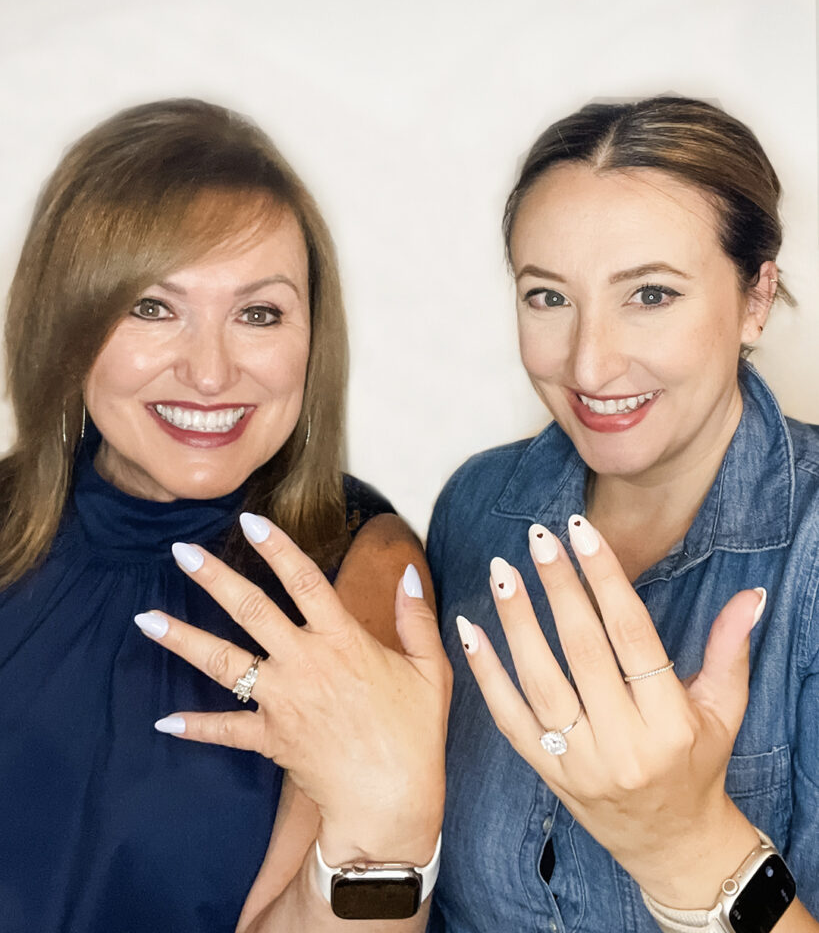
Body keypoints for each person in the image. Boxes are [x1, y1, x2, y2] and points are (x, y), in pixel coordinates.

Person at [0, 99, 449, 933]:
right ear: (64, 322)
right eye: (151, 307)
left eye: (259, 314)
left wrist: (388, 822)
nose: (210, 373)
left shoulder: (364, 571)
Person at [426, 97, 819, 932]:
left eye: (648, 293)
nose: (588, 362)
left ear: (755, 298)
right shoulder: (476, 509)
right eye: (546, 297)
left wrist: (687, 843)